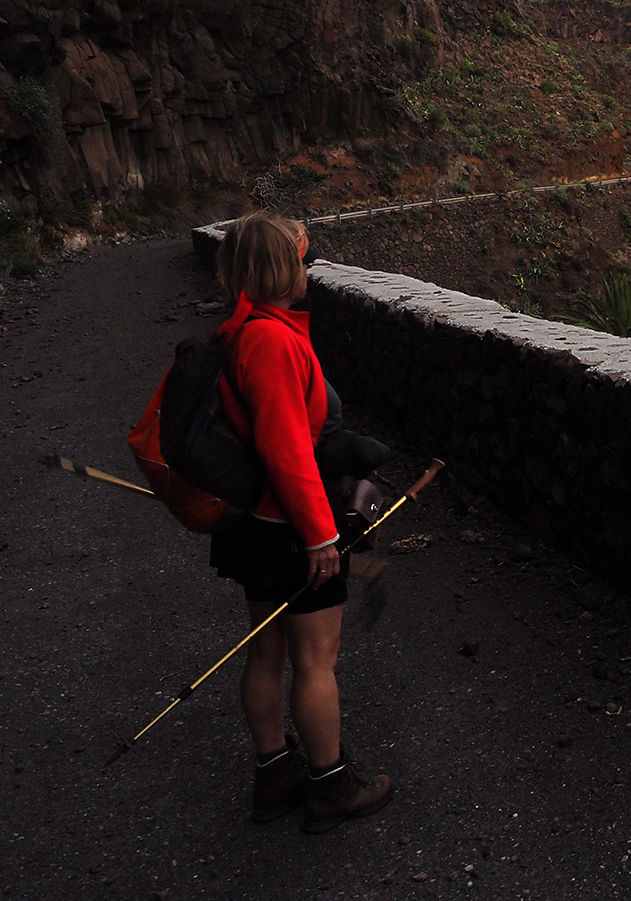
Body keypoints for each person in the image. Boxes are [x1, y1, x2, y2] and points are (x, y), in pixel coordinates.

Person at [209, 212, 391, 833]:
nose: (309, 268)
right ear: (281, 267)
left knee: (266, 650)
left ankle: (275, 773)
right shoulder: (272, 340)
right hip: (288, 527)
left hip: (258, 525)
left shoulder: (242, 331)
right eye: (302, 258)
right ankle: (331, 785)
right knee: (316, 659)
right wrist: (320, 537)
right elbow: (285, 448)